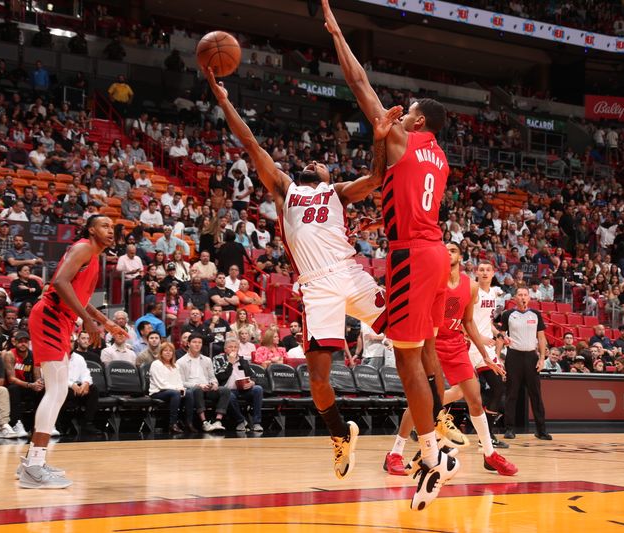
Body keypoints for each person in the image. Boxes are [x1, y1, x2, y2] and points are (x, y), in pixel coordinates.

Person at [207, 65, 394, 481]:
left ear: (329, 177)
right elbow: (251, 142)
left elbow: (378, 178)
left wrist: (380, 140)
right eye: (310, 160)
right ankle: (340, 434)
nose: (314, 162)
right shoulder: (285, 188)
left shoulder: (337, 192)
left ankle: (437, 420)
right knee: (318, 379)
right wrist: (224, 101)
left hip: (350, 272)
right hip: (315, 286)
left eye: (321, 163)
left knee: (408, 331)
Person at [323, 0, 456, 509]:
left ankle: (433, 455)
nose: (404, 107)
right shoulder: (438, 156)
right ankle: (436, 445)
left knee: (405, 363)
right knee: (422, 354)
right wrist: (380, 144)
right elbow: (383, 173)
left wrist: (337, 33)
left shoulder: (403, 133)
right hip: (435, 252)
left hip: (409, 255)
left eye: (411, 105)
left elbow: (360, 85)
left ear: (418, 117)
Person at [384, 246, 513, 479]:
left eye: (453, 250)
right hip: (430, 341)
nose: (449, 253)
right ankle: (395, 453)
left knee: (474, 397)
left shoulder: (471, 287)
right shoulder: (432, 280)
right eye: (445, 250)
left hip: (455, 344)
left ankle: (489, 453)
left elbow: (469, 322)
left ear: (460, 256)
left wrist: (485, 355)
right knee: (421, 399)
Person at [19, 215, 126, 489]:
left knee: (58, 391)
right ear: (91, 229)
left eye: (112, 228)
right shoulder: (83, 248)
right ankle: (33, 466)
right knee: (56, 391)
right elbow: (59, 284)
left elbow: (81, 298)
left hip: (61, 319)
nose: (110, 231)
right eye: (104, 226)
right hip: (51, 316)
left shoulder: (93, 256)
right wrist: (88, 322)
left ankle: (33, 462)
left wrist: (107, 322)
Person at [500, 287, 550, 440]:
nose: (522, 297)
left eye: (525, 295)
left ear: (529, 298)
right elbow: (501, 336)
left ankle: (541, 430)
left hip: (531, 357)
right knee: (511, 394)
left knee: (536, 394)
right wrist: (498, 358)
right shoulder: (508, 314)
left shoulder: (535, 315)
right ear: (514, 298)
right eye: (520, 295)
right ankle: (509, 429)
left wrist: (542, 359)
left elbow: (541, 338)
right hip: (513, 356)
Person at [213, 338, 264, 432]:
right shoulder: (218, 359)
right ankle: (241, 421)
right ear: (225, 349)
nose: (233, 349)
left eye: (235, 347)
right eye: (230, 347)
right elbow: (219, 376)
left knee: (258, 389)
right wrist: (230, 363)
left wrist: (252, 382)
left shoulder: (242, 360)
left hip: (244, 389)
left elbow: (254, 375)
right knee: (229, 395)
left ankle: (257, 422)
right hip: (228, 390)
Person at [148, 341, 192, 434]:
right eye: (165, 350)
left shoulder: (176, 365)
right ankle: (173, 424)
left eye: (170, 351)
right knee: (175, 393)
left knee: (189, 393)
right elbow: (161, 384)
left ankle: (188, 423)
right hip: (157, 392)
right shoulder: (156, 364)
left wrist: (182, 389)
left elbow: (179, 381)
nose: (168, 352)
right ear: (161, 352)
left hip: (172, 391)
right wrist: (177, 389)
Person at [65, 346, 102, 435]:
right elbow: (55, 377)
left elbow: (86, 374)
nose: (70, 343)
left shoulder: (79, 358)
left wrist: (85, 383)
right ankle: (61, 424)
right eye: (68, 340)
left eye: (71, 341)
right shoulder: (56, 358)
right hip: (63, 386)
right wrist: (71, 385)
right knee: (64, 391)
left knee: (93, 389)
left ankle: (87, 423)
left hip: (79, 387)